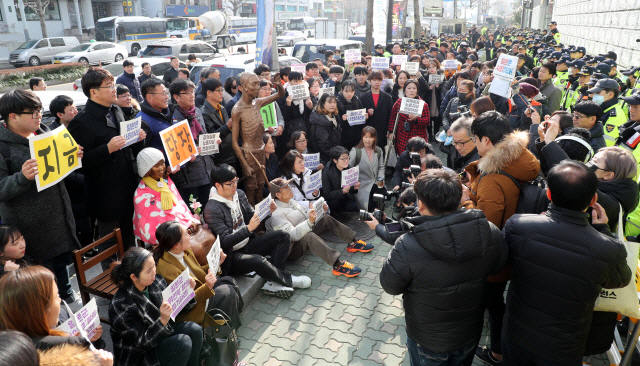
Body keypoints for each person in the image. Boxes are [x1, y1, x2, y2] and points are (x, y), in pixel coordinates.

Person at [501, 160, 630, 366]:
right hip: (563, 347)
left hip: (517, 333)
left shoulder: (519, 225)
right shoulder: (607, 248)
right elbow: (620, 281)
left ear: (549, 194)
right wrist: (604, 231)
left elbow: (501, 261)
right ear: (593, 199)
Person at [380, 169, 507, 366]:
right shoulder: (488, 231)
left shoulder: (407, 244)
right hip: (469, 333)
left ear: (420, 204)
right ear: (459, 197)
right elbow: (498, 266)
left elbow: (390, 285)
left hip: (427, 339)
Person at [466, 111, 540, 365]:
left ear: (486, 140)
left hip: (494, 258)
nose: (474, 145)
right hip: (514, 246)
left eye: (475, 139)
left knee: (491, 302)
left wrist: (466, 201)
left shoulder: (493, 177)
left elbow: (484, 226)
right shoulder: (520, 159)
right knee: (497, 301)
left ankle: (496, 351)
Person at [0, 90, 82, 304]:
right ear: (12, 116)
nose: (39, 116)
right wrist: (22, 177)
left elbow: (61, 172)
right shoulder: (3, 146)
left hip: (58, 217)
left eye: (39, 110)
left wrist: (72, 157)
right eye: (32, 112)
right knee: (40, 279)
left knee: (62, 263)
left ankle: (66, 297)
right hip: (29, 227)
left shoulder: (47, 133)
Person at [68, 67, 146, 253]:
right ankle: (114, 281)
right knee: (110, 247)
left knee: (129, 243)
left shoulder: (116, 109)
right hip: (105, 196)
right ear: (93, 92)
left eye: (114, 84)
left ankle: (132, 279)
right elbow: (80, 163)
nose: (114, 89)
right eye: (109, 86)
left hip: (127, 188)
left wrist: (137, 139)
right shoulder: (81, 122)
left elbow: (125, 145)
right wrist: (107, 149)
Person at [204, 164, 310, 298]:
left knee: (283, 236)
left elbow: (251, 214)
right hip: (233, 255)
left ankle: (274, 282)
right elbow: (225, 241)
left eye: (236, 181)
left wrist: (267, 212)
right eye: (230, 184)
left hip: (248, 242)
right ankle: (287, 280)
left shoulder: (239, 194)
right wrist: (248, 229)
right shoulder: (212, 208)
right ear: (218, 185)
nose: (235, 186)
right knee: (258, 261)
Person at [109, 247, 203, 366]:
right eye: (149, 271)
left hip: (159, 337)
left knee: (194, 330)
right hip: (139, 356)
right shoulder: (121, 305)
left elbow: (175, 308)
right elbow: (142, 342)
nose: (154, 271)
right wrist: (163, 321)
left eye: (154, 265)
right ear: (134, 277)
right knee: (182, 343)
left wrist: (187, 290)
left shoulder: (155, 281)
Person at [0, 266, 111, 362]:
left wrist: (91, 341)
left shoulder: (8, 350)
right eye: (57, 296)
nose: (60, 300)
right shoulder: (37, 354)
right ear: (41, 309)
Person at [266, 177, 371, 276]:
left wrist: (320, 212)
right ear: (278, 195)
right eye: (286, 188)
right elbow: (293, 235)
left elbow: (306, 214)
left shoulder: (290, 201)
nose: (290, 189)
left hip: (304, 233)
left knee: (325, 218)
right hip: (292, 249)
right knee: (309, 236)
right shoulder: (276, 215)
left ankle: (353, 241)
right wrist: (310, 222)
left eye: (289, 186)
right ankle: (337, 265)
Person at [154, 221, 243, 332]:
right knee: (226, 292)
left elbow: (199, 272)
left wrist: (217, 262)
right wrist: (208, 286)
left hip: (202, 291)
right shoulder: (166, 269)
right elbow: (185, 302)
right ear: (176, 245)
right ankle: (226, 333)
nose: (189, 235)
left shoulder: (186, 251)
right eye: (186, 234)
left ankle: (230, 329)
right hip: (193, 308)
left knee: (229, 281)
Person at [231, 72, 285, 205]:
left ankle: (262, 215)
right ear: (244, 86)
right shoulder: (237, 110)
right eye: (254, 84)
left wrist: (278, 84)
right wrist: (244, 164)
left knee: (261, 184)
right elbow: (235, 143)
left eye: (258, 83)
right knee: (251, 187)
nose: (257, 87)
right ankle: (253, 217)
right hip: (249, 153)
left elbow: (280, 94)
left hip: (261, 149)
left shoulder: (258, 103)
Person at [132, 148, 200, 246]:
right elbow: (150, 223)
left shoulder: (166, 182)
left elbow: (179, 206)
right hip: (165, 232)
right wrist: (179, 230)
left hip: (177, 225)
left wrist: (189, 221)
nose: (161, 168)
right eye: (156, 165)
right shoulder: (141, 194)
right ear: (146, 169)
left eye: (162, 163)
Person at [170, 78, 215, 204]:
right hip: (189, 176)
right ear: (176, 97)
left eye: (192, 91)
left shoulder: (197, 111)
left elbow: (203, 134)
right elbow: (176, 149)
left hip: (206, 169)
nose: (192, 95)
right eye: (187, 92)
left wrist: (212, 143)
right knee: (194, 211)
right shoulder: (174, 118)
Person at [388, 79, 431, 156]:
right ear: (405, 90)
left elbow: (427, 121)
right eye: (409, 88)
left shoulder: (423, 104)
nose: (411, 90)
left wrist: (416, 119)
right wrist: (391, 132)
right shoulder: (399, 102)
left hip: (418, 137)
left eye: (414, 88)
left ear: (417, 90)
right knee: (404, 158)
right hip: (402, 137)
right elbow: (392, 118)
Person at [201, 78, 236, 167]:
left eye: (222, 90)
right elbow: (211, 136)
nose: (222, 93)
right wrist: (228, 126)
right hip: (220, 158)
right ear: (209, 93)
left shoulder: (222, 107)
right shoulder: (204, 113)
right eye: (219, 90)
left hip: (231, 153)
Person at [349, 126, 385, 211]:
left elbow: (381, 167)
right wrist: (354, 181)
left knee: (381, 204)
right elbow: (348, 168)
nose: (368, 140)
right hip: (362, 186)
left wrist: (381, 178)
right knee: (370, 207)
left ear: (374, 138)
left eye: (370, 137)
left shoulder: (379, 151)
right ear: (362, 138)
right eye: (366, 137)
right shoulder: (355, 151)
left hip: (376, 183)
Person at [587, 78, 626, 146]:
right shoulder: (601, 109)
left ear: (610, 94)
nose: (594, 95)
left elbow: (605, 144)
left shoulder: (616, 115)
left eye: (598, 92)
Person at [322, 146, 361, 215]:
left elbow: (350, 188)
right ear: (335, 160)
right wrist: (342, 191)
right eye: (343, 159)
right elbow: (326, 194)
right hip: (333, 201)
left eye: (347, 158)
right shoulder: (327, 172)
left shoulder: (348, 167)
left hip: (346, 198)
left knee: (358, 206)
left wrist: (354, 187)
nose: (346, 161)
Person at [361, 70, 393, 150]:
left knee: (381, 153)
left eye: (379, 80)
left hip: (382, 131)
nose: (377, 82)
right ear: (369, 81)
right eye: (374, 80)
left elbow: (391, 115)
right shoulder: (363, 97)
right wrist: (367, 113)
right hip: (368, 131)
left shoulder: (388, 97)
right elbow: (360, 113)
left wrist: (390, 130)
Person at [309, 94, 341, 165]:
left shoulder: (335, 116)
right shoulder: (320, 120)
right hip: (325, 158)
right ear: (323, 104)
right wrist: (335, 155)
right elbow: (323, 144)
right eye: (329, 102)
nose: (333, 105)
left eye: (334, 102)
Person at [336, 80, 367, 151]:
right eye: (346, 91)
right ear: (342, 90)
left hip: (356, 135)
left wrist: (365, 117)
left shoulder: (357, 100)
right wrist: (342, 119)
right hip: (343, 136)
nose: (349, 94)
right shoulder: (337, 102)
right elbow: (334, 120)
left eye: (352, 91)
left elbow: (362, 117)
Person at [263, 133, 280, 198]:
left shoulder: (273, 159)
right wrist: (273, 194)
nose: (273, 145)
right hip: (268, 196)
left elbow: (278, 175)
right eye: (270, 143)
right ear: (263, 146)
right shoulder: (259, 163)